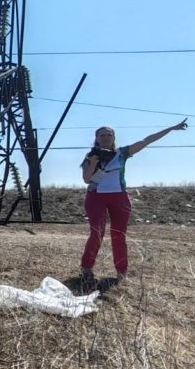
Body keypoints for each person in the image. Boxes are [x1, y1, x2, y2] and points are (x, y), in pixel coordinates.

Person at [79, 119, 188, 285]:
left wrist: (172, 128)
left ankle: (121, 272)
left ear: (114, 137)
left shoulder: (122, 153)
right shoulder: (90, 156)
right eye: (103, 135)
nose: (106, 137)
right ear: (97, 138)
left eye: (109, 134)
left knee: (119, 235)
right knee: (96, 233)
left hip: (119, 197)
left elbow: (147, 140)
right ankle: (87, 268)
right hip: (96, 197)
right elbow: (87, 180)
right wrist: (93, 163)